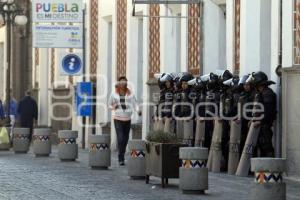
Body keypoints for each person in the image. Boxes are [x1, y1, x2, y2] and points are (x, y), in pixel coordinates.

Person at [109, 77, 141, 166]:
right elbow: (109, 105)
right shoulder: (114, 94)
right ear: (119, 83)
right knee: (120, 137)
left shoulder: (130, 94)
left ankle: (121, 154)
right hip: (118, 118)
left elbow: (135, 104)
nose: (123, 84)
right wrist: (114, 106)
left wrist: (138, 110)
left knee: (125, 139)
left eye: (125, 82)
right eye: (122, 82)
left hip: (127, 119)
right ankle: (120, 157)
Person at [250, 71, 277, 157]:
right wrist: (253, 120)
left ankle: (270, 169)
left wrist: (260, 121)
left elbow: (269, 112)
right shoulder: (260, 93)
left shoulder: (267, 93)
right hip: (259, 125)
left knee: (266, 146)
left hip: (264, 125)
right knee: (260, 147)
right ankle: (262, 170)